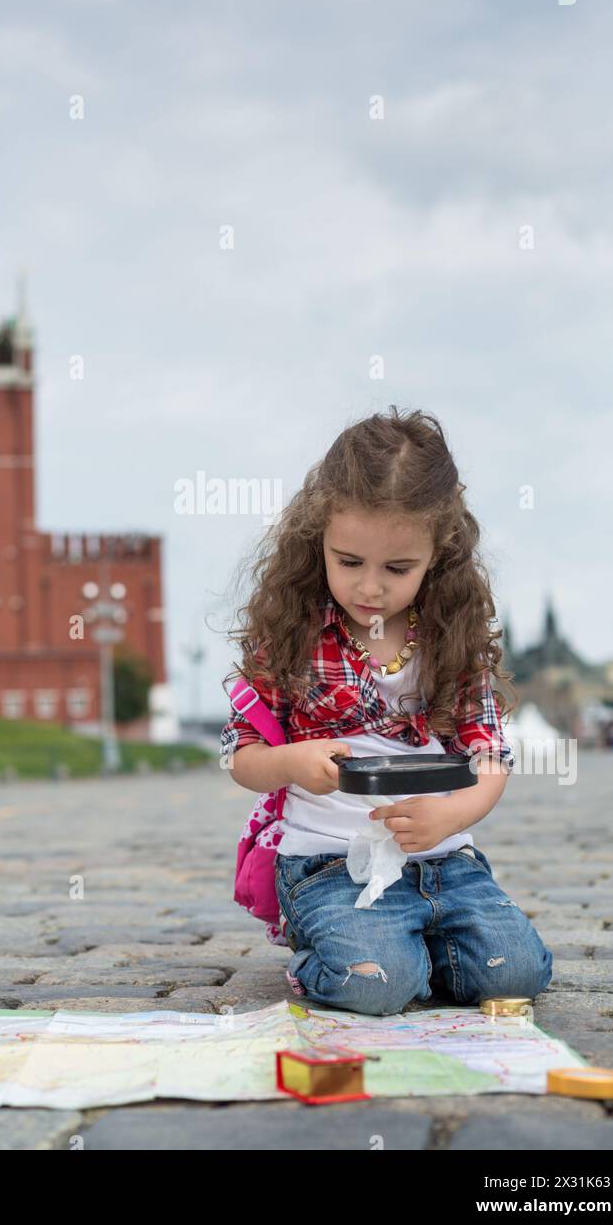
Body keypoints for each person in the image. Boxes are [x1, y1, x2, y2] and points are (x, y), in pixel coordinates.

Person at [220, 407, 553, 1016]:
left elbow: (491, 756)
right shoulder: (294, 636)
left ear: (438, 556)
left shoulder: (451, 638)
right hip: (329, 862)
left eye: (397, 569)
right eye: (348, 562)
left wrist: (453, 816)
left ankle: (415, 943)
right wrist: (291, 761)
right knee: (378, 986)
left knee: (518, 974)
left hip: (442, 863)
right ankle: (337, 949)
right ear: (316, 540)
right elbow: (242, 758)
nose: (370, 588)